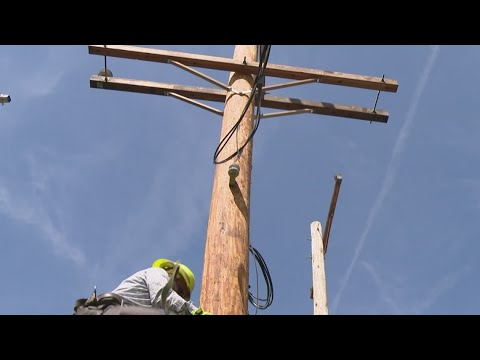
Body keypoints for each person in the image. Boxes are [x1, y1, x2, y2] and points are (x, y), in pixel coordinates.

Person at [74, 258, 211, 315]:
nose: (179, 295)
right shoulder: (158, 273)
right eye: (180, 290)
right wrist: (195, 313)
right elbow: (164, 297)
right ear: (174, 276)